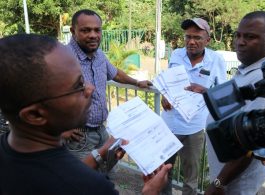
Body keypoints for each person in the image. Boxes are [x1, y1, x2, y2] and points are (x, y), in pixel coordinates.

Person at [0, 33, 171, 195]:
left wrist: (100, 153)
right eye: (78, 85)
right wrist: (151, 192)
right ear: (35, 115)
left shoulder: (9, 150)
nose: (90, 89)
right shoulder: (93, 188)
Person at [203, 11, 265, 195]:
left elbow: (249, 144)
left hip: (234, 185)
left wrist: (218, 184)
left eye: (250, 37)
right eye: (238, 35)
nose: (240, 42)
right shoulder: (250, 71)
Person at [62, 9, 152, 159]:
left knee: (105, 173)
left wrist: (136, 82)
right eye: (86, 30)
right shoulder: (63, 58)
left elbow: (115, 73)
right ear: (73, 31)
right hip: (78, 138)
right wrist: (60, 131)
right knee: (84, 181)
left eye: (97, 30)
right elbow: (42, 96)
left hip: (101, 131)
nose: (93, 35)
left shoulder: (99, 55)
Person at [160, 18, 227, 195]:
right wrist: (165, 95)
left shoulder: (216, 60)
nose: (191, 41)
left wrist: (204, 90)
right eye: (188, 37)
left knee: (191, 176)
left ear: (207, 41)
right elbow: (168, 82)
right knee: (163, 170)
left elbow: (222, 93)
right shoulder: (175, 55)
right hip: (169, 125)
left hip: (194, 127)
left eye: (197, 37)